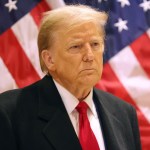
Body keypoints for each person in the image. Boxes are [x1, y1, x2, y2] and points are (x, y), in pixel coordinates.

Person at [0, 5, 141, 150]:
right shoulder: (9, 113)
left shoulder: (124, 113)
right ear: (49, 59)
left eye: (95, 44)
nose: (89, 56)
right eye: (76, 47)